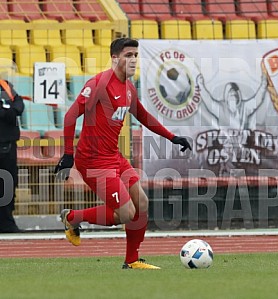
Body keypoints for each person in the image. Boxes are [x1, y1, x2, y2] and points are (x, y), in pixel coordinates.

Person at [54, 38, 191, 269]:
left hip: (113, 156)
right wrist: (68, 155)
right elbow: (69, 116)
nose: (133, 60)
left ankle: (132, 260)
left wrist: (172, 137)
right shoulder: (99, 83)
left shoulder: (129, 87)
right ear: (115, 58)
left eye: (136, 55)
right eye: (128, 55)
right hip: (93, 161)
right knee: (126, 213)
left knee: (142, 203)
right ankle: (72, 218)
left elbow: (143, 116)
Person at [0, 77, 25, 233]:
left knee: (8, 184)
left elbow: (18, 107)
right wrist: (7, 110)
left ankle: (7, 223)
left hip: (8, 146)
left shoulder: (5, 86)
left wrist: (5, 110)